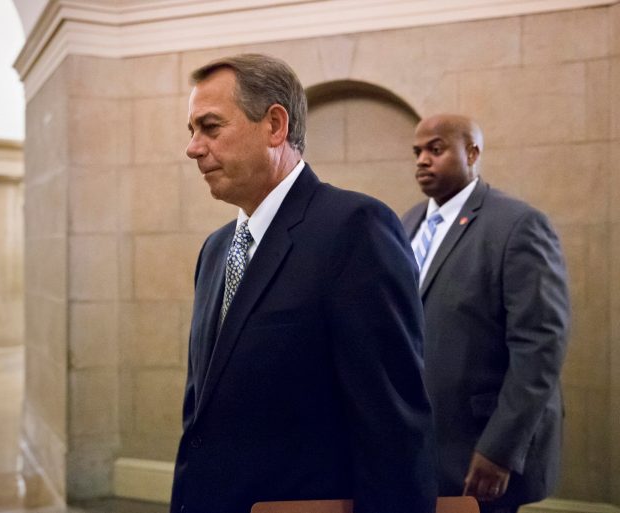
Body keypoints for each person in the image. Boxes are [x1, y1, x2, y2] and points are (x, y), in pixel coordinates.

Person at [170, 53, 437, 513]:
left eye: (210, 128)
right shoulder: (216, 250)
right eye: (191, 131)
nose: (194, 148)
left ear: (275, 125)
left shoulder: (355, 230)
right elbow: (202, 418)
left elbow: (393, 431)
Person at [402, 114, 570, 513]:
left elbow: (540, 347)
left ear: (473, 152)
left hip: (479, 446)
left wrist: (500, 450)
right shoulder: (408, 222)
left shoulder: (517, 225)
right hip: (423, 445)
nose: (423, 160)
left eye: (436, 149)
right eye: (417, 152)